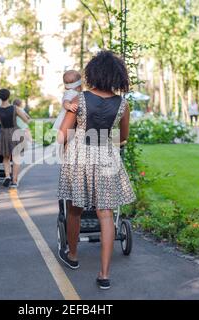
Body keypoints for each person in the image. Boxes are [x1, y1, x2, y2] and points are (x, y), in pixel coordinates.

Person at [57, 51, 135, 290]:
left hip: (79, 156)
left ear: (93, 73)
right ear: (116, 76)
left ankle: (72, 256)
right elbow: (123, 137)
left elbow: (62, 133)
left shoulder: (79, 100)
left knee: (75, 209)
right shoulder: (122, 104)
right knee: (106, 214)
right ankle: (104, 274)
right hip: (106, 156)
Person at [0, 89, 30, 188]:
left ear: (0, 97)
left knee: (6, 157)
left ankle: (7, 176)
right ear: (9, 96)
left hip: (4, 133)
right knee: (16, 157)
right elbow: (26, 120)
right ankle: (14, 181)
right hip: (15, 132)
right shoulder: (15, 108)